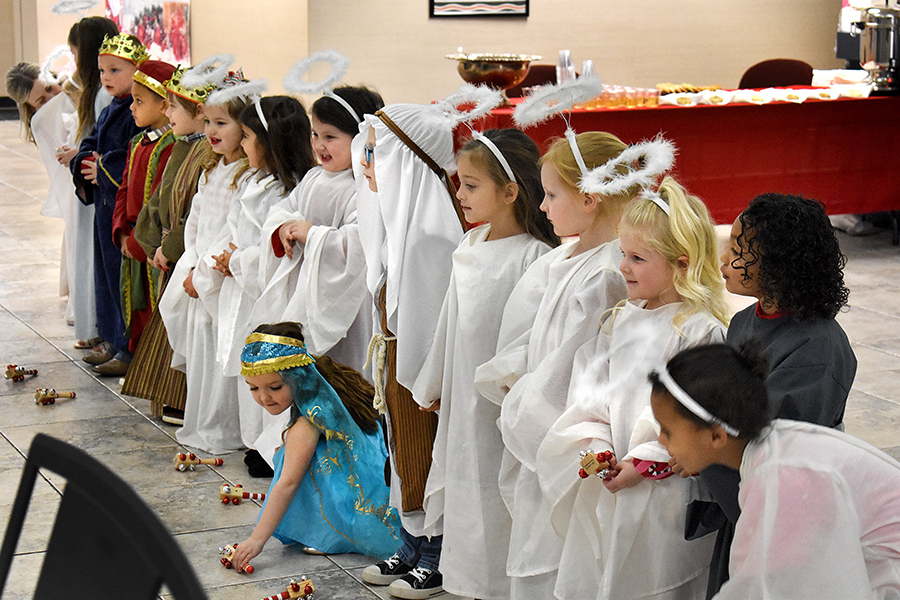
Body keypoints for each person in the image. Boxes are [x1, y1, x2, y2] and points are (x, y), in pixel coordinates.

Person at [538, 177, 731, 600]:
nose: (623, 267)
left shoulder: (699, 331)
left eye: (637, 258)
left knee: (655, 580)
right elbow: (592, 392)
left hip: (666, 491)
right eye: (623, 254)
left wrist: (643, 461)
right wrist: (599, 445)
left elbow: (695, 414)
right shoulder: (622, 319)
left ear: (682, 264)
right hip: (616, 477)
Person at [472, 131, 639, 598]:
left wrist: (527, 400)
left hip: (567, 433)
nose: (542, 206)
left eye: (551, 194)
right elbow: (535, 334)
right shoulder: (567, 254)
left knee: (560, 556)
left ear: (589, 199)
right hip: (540, 411)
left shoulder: (609, 272)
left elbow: (577, 364)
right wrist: (510, 375)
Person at [410, 128, 558, 599]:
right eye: (460, 183)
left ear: (510, 192)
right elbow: (449, 324)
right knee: (467, 490)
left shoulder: (536, 257)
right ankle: (471, 585)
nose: (460, 194)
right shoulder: (471, 245)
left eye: (471, 185)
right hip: (464, 399)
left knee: (501, 496)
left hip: (504, 404)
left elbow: (533, 341)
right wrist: (436, 382)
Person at [690, 193, 858, 598]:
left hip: (784, 519)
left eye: (738, 249)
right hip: (740, 499)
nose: (724, 258)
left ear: (780, 264)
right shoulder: (742, 321)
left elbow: (774, 445)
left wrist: (698, 448)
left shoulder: (818, 348)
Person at [650, 343, 900, 600]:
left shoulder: (784, 477)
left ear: (716, 436)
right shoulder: (774, 448)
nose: (660, 440)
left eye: (667, 431)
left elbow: (768, 586)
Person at [356, 103, 464, 599]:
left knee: (426, 456)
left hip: (423, 374)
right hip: (397, 364)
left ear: (405, 162)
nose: (364, 163)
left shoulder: (431, 234)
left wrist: (427, 380)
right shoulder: (394, 223)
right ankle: (412, 542)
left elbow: (433, 324)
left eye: (375, 153)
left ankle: (438, 554)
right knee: (403, 456)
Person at [230, 322, 401, 570]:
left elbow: (287, 484)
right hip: (381, 473)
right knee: (288, 453)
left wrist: (256, 540)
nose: (264, 397)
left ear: (298, 377)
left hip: (371, 496)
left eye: (275, 387)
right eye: (254, 388)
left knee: (290, 460)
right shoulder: (325, 381)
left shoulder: (309, 419)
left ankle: (332, 534)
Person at [212, 95, 317, 469]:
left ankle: (275, 445)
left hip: (269, 293)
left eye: (246, 136)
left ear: (269, 141)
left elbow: (276, 249)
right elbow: (238, 228)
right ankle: (255, 439)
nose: (241, 144)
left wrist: (236, 260)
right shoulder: (254, 181)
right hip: (244, 288)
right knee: (252, 366)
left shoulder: (288, 190)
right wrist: (229, 256)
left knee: (273, 368)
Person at [255, 85, 384, 377]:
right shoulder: (313, 177)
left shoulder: (362, 186)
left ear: (359, 138)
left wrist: (313, 234)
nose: (319, 145)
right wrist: (284, 227)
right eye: (315, 135)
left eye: (330, 137)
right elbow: (283, 210)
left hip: (347, 302)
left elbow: (360, 244)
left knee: (343, 370)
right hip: (306, 290)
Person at [158, 71, 252, 454]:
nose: (211, 131)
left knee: (220, 352)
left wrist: (207, 272)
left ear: (245, 128)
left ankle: (223, 427)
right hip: (199, 273)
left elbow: (234, 230)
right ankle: (201, 421)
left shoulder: (246, 176)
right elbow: (196, 221)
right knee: (202, 353)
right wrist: (192, 263)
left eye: (222, 123)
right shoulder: (211, 168)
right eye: (208, 122)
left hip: (223, 279)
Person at [123, 66, 214, 423]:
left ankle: (183, 397)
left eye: (173, 106)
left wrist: (171, 247)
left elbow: (193, 211)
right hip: (169, 254)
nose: (166, 111)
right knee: (168, 323)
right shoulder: (182, 146)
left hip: (185, 253)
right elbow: (160, 200)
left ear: (199, 111)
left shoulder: (204, 152)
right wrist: (148, 243)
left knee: (183, 329)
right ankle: (168, 394)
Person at [71, 33, 148, 375]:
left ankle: (129, 349)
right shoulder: (110, 109)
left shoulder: (137, 111)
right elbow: (91, 142)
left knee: (123, 279)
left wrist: (103, 167)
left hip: (122, 208)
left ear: (138, 70)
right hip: (104, 206)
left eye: (115, 70)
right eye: (102, 70)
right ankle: (113, 339)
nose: (106, 77)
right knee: (105, 276)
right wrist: (86, 160)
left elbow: (135, 154)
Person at [106, 59, 177, 377]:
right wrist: (121, 230)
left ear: (164, 106)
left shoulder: (169, 146)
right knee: (134, 305)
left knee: (154, 306)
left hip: (149, 243)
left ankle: (155, 369)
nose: (132, 108)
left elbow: (158, 201)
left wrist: (138, 241)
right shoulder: (138, 143)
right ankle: (135, 359)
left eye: (139, 101)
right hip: (132, 239)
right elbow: (123, 190)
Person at [57, 16, 119, 350]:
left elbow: (106, 143)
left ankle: (97, 326)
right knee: (87, 255)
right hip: (89, 181)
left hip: (100, 187)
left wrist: (83, 157)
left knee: (95, 259)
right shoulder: (96, 93)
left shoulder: (105, 96)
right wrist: (78, 153)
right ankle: (93, 325)